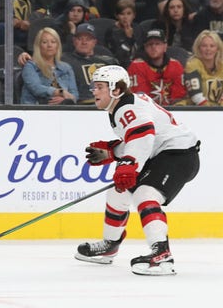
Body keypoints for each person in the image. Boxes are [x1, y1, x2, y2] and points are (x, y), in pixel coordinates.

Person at [75, 65, 200, 276]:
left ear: (116, 90)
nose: (94, 91)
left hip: (179, 155)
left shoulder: (126, 108)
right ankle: (110, 245)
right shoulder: (123, 105)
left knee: (145, 195)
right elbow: (141, 137)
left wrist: (128, 164)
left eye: (99, 87)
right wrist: (115, 151)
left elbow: (144, 134)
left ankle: (162, 256)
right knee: (117, 192)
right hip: (162, 153)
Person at [61, 23, 119, 104]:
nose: (84, 42)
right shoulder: (65, 61)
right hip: (80, 105)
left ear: (94, 42)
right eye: (80, 38)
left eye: (88, 39)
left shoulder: (108, 61)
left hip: (108, 103)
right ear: (74, 41)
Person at [20, 27, 79, 105]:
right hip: (36, 110)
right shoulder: (30, 66)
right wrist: (60, 92)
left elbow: (75, 94)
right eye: (44, 42)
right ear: (38, 46)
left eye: (53, 42)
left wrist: (65, 99)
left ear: (58, 45)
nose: (49, 45)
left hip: (63, 110)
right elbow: (36, 88)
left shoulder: (66, 68)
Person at [127, 29, 186, 106]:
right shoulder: (137, 66)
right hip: (146, 110)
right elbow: (140, 97)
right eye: (150, 44)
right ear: (145, 47)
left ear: (165, 46)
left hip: (173, 110)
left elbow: (179, 95)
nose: (153, 47)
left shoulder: (175, 65)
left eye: (157, 44)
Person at [176, 29, 223, 106]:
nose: (208, 49)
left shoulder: (222, 65)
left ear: (217, 48)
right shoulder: (192, 65)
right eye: (204, 46)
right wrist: (211, 111)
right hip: (196, 109)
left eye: (212, 46)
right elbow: (196, 96)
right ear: (198, 48)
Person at [105, 0, 144, 69]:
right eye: (122, 14)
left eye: (129, 13)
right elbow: (118, 57)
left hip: (137, 64)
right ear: (116, 16)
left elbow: (140, 49)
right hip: (120, 66)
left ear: (134, 15)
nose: (125, 17)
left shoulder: (138, 28)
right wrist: (129, 38)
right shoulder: (112, 31)